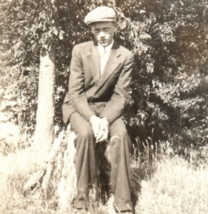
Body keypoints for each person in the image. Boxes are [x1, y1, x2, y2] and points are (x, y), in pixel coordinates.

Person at [62, 6, 134, 214]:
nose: (102, 35)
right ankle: (84, 198)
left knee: (120, 135)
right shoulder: (80, 51)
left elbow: (121, 95)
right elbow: (75, 93)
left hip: (109, 108)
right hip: (79, 106)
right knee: (84, 134)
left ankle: (123, 202)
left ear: (115, 28)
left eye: (106, 29)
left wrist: (105, 119)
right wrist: (93, 119)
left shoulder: (125, 56)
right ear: (91, 31)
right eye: (96, 30)